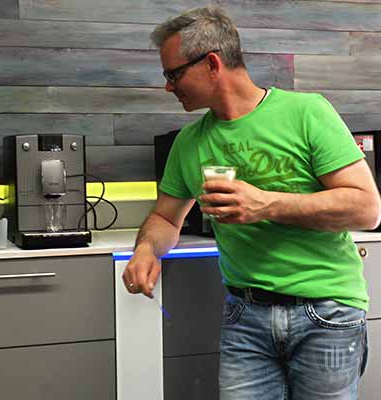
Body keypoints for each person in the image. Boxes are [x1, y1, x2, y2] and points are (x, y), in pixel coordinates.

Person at [122, 5, 381, 400]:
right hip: (244, 317)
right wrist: (145, 249)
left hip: (327, 312)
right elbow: (165, 219)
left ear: (212, 63)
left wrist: (266, 204)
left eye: (173, 75)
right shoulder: (188, 142)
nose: (168, 88)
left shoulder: (306, 112)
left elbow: (366, 209)